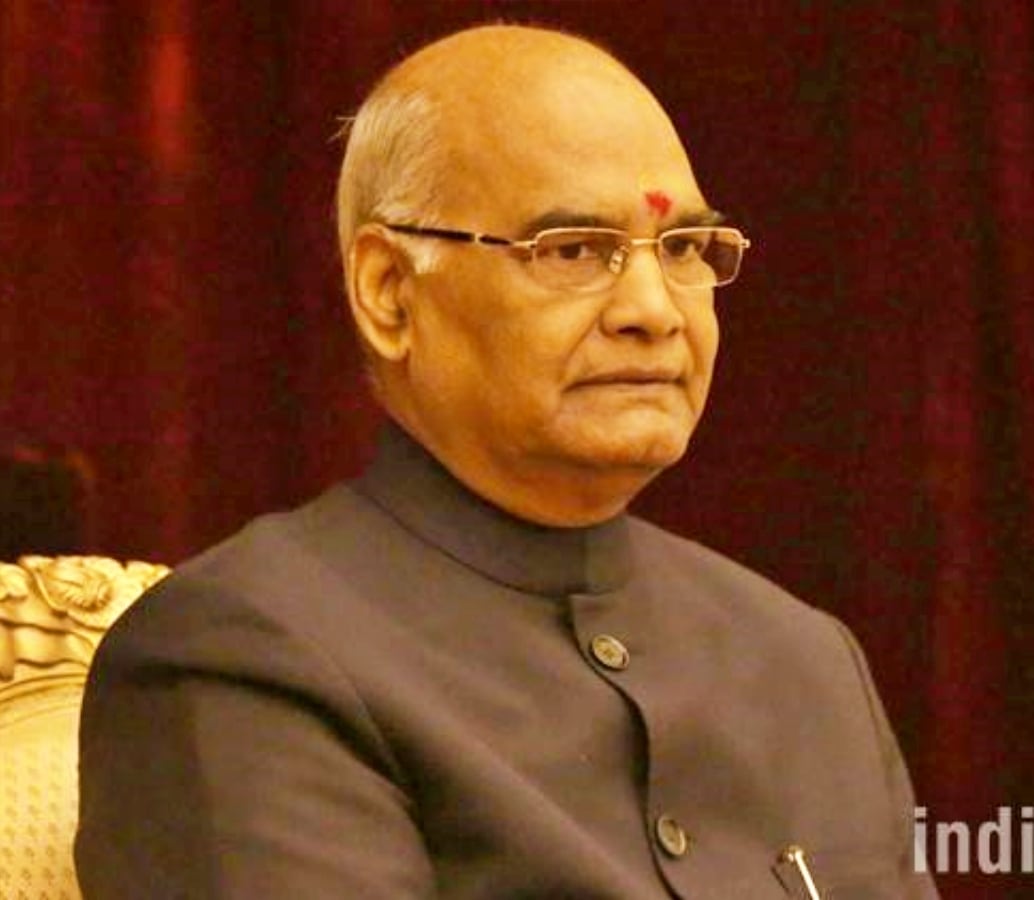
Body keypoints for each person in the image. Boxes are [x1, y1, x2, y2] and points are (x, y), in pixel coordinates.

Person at [75, 24, 937, 899]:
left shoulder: (803, 661)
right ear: (389, 292)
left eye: (682, 250)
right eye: (573, 250)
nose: (654, 310)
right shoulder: (250, 654)